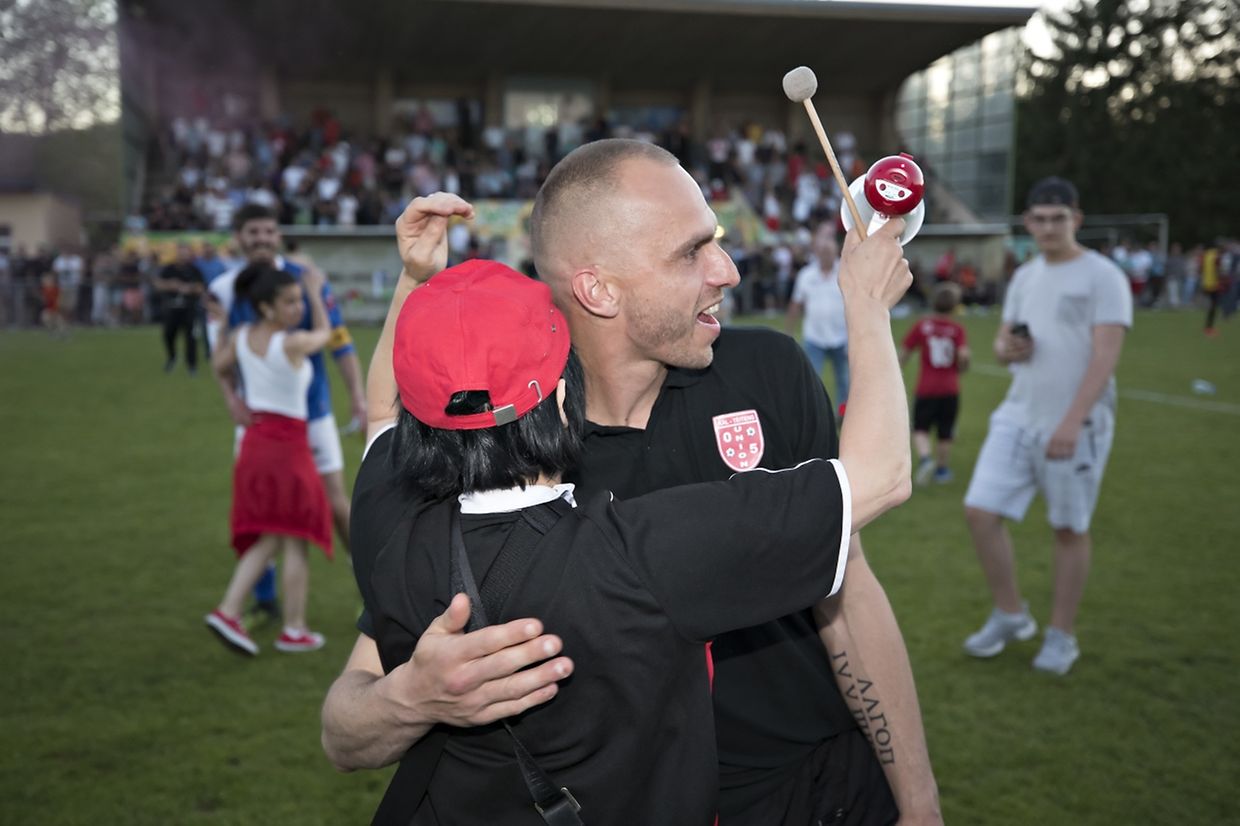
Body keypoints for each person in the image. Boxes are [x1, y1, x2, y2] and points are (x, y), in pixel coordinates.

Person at [323, 141, 942, 826]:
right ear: (599, 288)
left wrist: (919, 805)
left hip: (816, 789)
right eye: (690, 252)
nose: (728, 270)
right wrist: (410, 700)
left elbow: (848, 595)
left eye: (719, 240)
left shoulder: (770, 371)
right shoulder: (502, 448)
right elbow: (345, 724)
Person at [961, 177, 1131, 676]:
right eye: (1040, 218)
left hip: (1077, 421)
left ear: (1076, 220)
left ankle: (1062, 635)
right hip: (1019, 411)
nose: (1049, 226)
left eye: (1060, 218)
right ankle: (1011, 614)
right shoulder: (1026, 276)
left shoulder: (1103, 276)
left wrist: (1073, 421)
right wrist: (1006, 350)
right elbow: (1001, 343)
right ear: (1028, 223)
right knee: (980, 512)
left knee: (1067, 528)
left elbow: (1106, 355)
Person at [207, 204, 366, 618]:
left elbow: (338, 339)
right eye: (252, 231)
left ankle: (371, 582)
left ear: (277, 235)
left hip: (312, 412)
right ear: (239, 237)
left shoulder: (305, 278)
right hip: (258, 418)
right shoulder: (225, 288)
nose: (261, 238)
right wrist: (231, 400)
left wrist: (358, 395)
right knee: (260, 508)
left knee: (334, 503)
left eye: (268, 231)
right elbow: (218, 354)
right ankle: (265, 602)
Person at [205, 262, 334, 655]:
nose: (297, 308)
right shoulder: (292, 343)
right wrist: (315, 291)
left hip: (255, 444)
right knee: (290, 536)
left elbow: (218, 365)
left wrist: (233, 395)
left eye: (298, 300)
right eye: (290, 302)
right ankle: (240, 613)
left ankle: (289, 625)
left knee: (279, 536)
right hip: (287, 450)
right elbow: (326, 335)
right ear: (266, 307)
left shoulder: (242, 336)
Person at [900, 282, 969, 485]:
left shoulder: (922, 326)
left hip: (926, 388)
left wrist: (897, 370)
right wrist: (962, 367)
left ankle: (925, 458)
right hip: (950, 388)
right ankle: (941, 470)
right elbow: (963, 356)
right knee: (945, 431)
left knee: (920, 428)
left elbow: (904, 352)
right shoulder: (957, 329)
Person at [788, 222, 850, 407]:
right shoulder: (806, 275)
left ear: (835, 254)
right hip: (815, 336)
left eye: (829, 254)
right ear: (817, 254)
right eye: (823, 254)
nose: (826, 257)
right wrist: (790, 331)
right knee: (813, 378)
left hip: (841, 336)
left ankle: (842, 413)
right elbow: (796, 304)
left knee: (844, 379)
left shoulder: (845, 273)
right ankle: (816, 411)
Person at [154, 242, 206, 375]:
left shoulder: (194, 270)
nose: (183, 255)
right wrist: (171, 285)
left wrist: (190, 288)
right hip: (172, 308)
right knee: (168, 334)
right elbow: (158, 284)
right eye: (181, 252)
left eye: (185, 253)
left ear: (189, 254)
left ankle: (192, 366)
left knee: (191, 338)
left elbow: (201, 288)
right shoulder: (168, 269)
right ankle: (172, 357)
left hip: (190, 308)